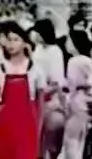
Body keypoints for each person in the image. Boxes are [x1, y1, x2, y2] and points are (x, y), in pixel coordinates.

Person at [0, 22, 40, 159]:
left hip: (27, 123)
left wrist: (39, 126)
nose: (11, 44)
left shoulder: (33, 68)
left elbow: (40, 98)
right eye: (9, 40)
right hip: (4, 123)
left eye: (16, 40)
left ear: (24, 42)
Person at [30, 19, 65, 159]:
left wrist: (46, 90)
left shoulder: (55, 51)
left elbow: (57, 79)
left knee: (49, 132)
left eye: (37, 32)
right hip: (35, 94)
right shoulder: (37, 49)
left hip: (49, 96)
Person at [63, 28, 92, 159]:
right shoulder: (88, 60)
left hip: (76, 102)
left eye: (69, 41)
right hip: (85, 103)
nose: (66, 44)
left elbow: (72, 84)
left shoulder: (74, 61)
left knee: (71, 141)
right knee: (80, 140)